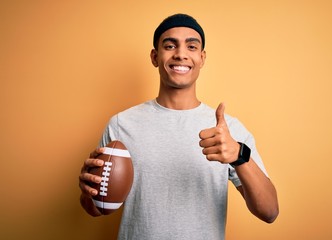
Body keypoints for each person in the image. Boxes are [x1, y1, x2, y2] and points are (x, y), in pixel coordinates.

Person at [79, 13, 279, 240]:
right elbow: (94, 209)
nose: (181, 54)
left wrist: (239, 155)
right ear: (155, 57)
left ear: (202, 58)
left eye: (191, 46)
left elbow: (270, 211)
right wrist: (88, 192)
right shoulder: (121, 124)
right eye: (170, 45)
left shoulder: (227, 130)